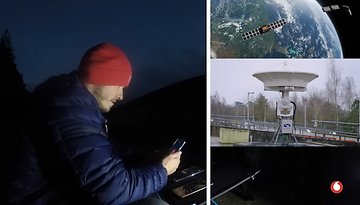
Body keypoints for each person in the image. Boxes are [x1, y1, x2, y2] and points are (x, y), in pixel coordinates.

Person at [5, 42, 182, 205]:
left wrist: (143, 156)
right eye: (119, 85)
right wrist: (162, 170)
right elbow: (111, 191)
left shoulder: (71, 102)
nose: (121, 95)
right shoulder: (67, 110)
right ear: (102, 76)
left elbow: (96, 149)